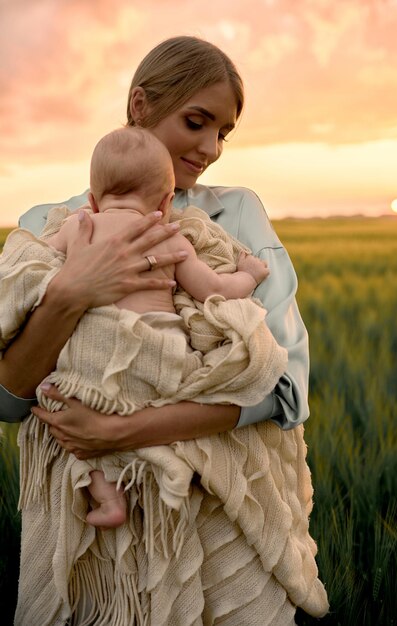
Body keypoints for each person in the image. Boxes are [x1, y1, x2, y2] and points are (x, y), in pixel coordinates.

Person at [0, 36, 328, 625]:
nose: (210, 149)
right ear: (139, 104)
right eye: (197, 122)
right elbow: (6, 396)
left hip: (207, 510)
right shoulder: (44, 225)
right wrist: (74, 293)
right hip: (89, 543)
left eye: (224, 132)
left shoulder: (236, 213)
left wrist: (120, 430)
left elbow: (285, 388)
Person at [43, 124, 270, 529]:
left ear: (93, 200)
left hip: (93, 357)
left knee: (61, 404)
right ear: (166, 202)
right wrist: (250, 275)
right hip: (161, 356)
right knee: (159, 411)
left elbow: (39, 268)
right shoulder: (170, 236)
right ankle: (173, 466)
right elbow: (214, 290)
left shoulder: (79, 225)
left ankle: (106, 494)